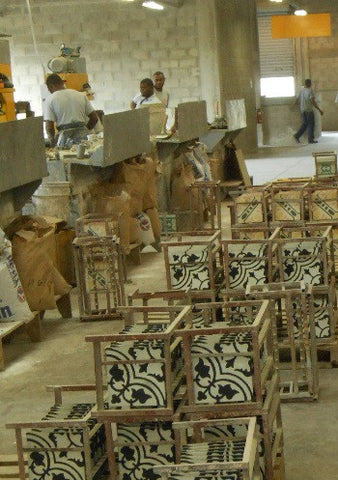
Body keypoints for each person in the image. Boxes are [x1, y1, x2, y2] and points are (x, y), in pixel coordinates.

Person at [44, 73, 98, 147]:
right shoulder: (80, 95)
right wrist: (86, 130)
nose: (49, 91)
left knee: (65, 156)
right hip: (83, 136)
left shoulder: (50, 99)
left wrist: (52, 142)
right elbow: (94, 118)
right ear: (62, 83)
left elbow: (49, 127)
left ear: (50, 86)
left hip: (65, 138)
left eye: (48, 88)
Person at [294, 78, 323, 144]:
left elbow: (297, 98)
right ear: (310, 83)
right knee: (311, 125)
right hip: (309, 110)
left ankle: (297, 135)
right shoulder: (310, 91)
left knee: (305, 124)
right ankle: (310, 140)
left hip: (302, 110)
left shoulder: (301, 90)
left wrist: (293, 104)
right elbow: (313, 101)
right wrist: (319, 109)